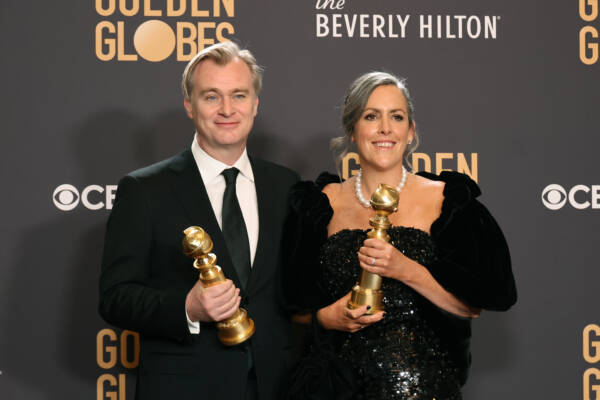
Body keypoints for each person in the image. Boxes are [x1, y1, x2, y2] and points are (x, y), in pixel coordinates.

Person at [282, 71, 517, 399]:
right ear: (352, 129)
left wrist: (407, 270)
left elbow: (473, 306)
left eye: (396, 117)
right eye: (371, 116)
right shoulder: (318, 204)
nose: (385, 129)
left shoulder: (447, 201)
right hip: (337, 388)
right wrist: (326, 318)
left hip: (424, 387)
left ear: (410, 131)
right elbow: (289, 306)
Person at [99, 41, 299, 400]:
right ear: (190, 106)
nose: (227, 109)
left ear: (255, 104)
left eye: (238, 95)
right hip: (184, 387)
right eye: (211, 97)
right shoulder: (144, 190)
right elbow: (115, 297)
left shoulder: (286, 185)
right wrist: (187, 308)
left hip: (277, 386)